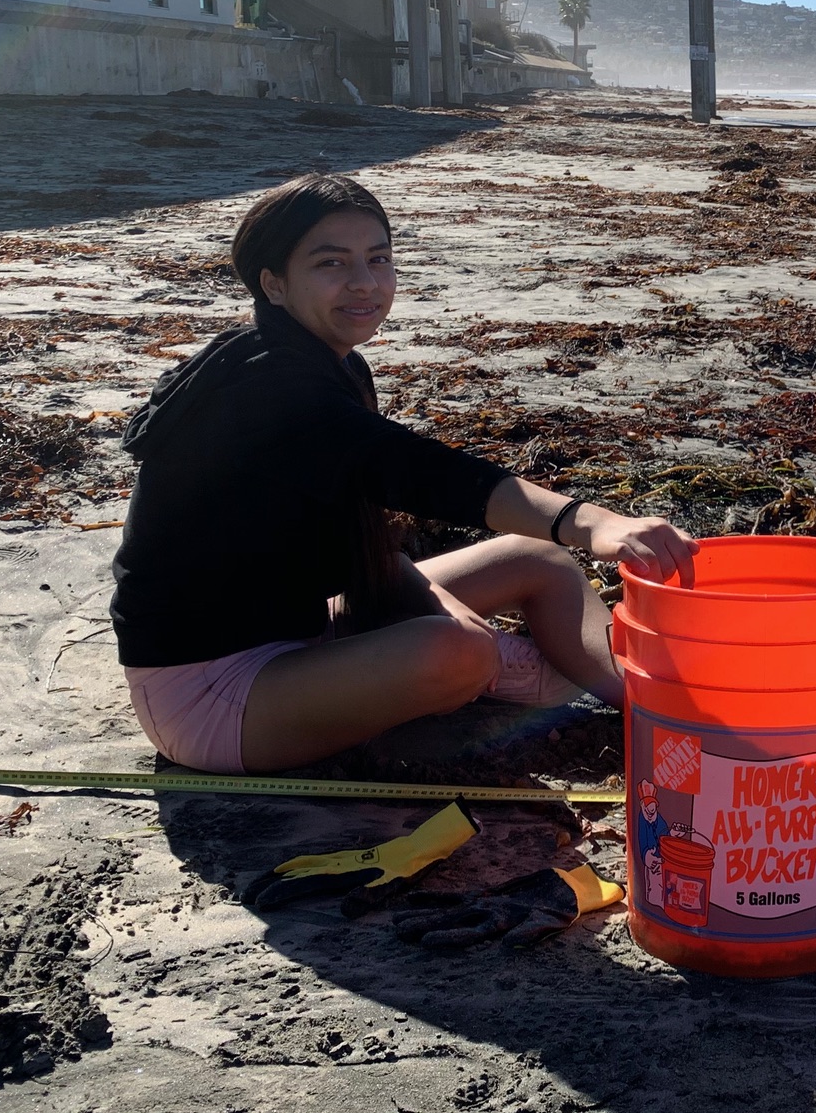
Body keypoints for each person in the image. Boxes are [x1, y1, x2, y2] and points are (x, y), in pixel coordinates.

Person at [110, 174, 698, 776]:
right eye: (331, 263)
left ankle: (652, 705)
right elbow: (414, 470)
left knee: (535, 559)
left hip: (305, 629)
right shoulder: (263, 385)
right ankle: (502, 671)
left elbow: (358, 528)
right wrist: (588, 522)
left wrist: (437, 599)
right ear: (273, 283)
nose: (364, 283)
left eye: (378, 258)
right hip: (212, 694)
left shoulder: (326, 361)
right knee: (458, 651)